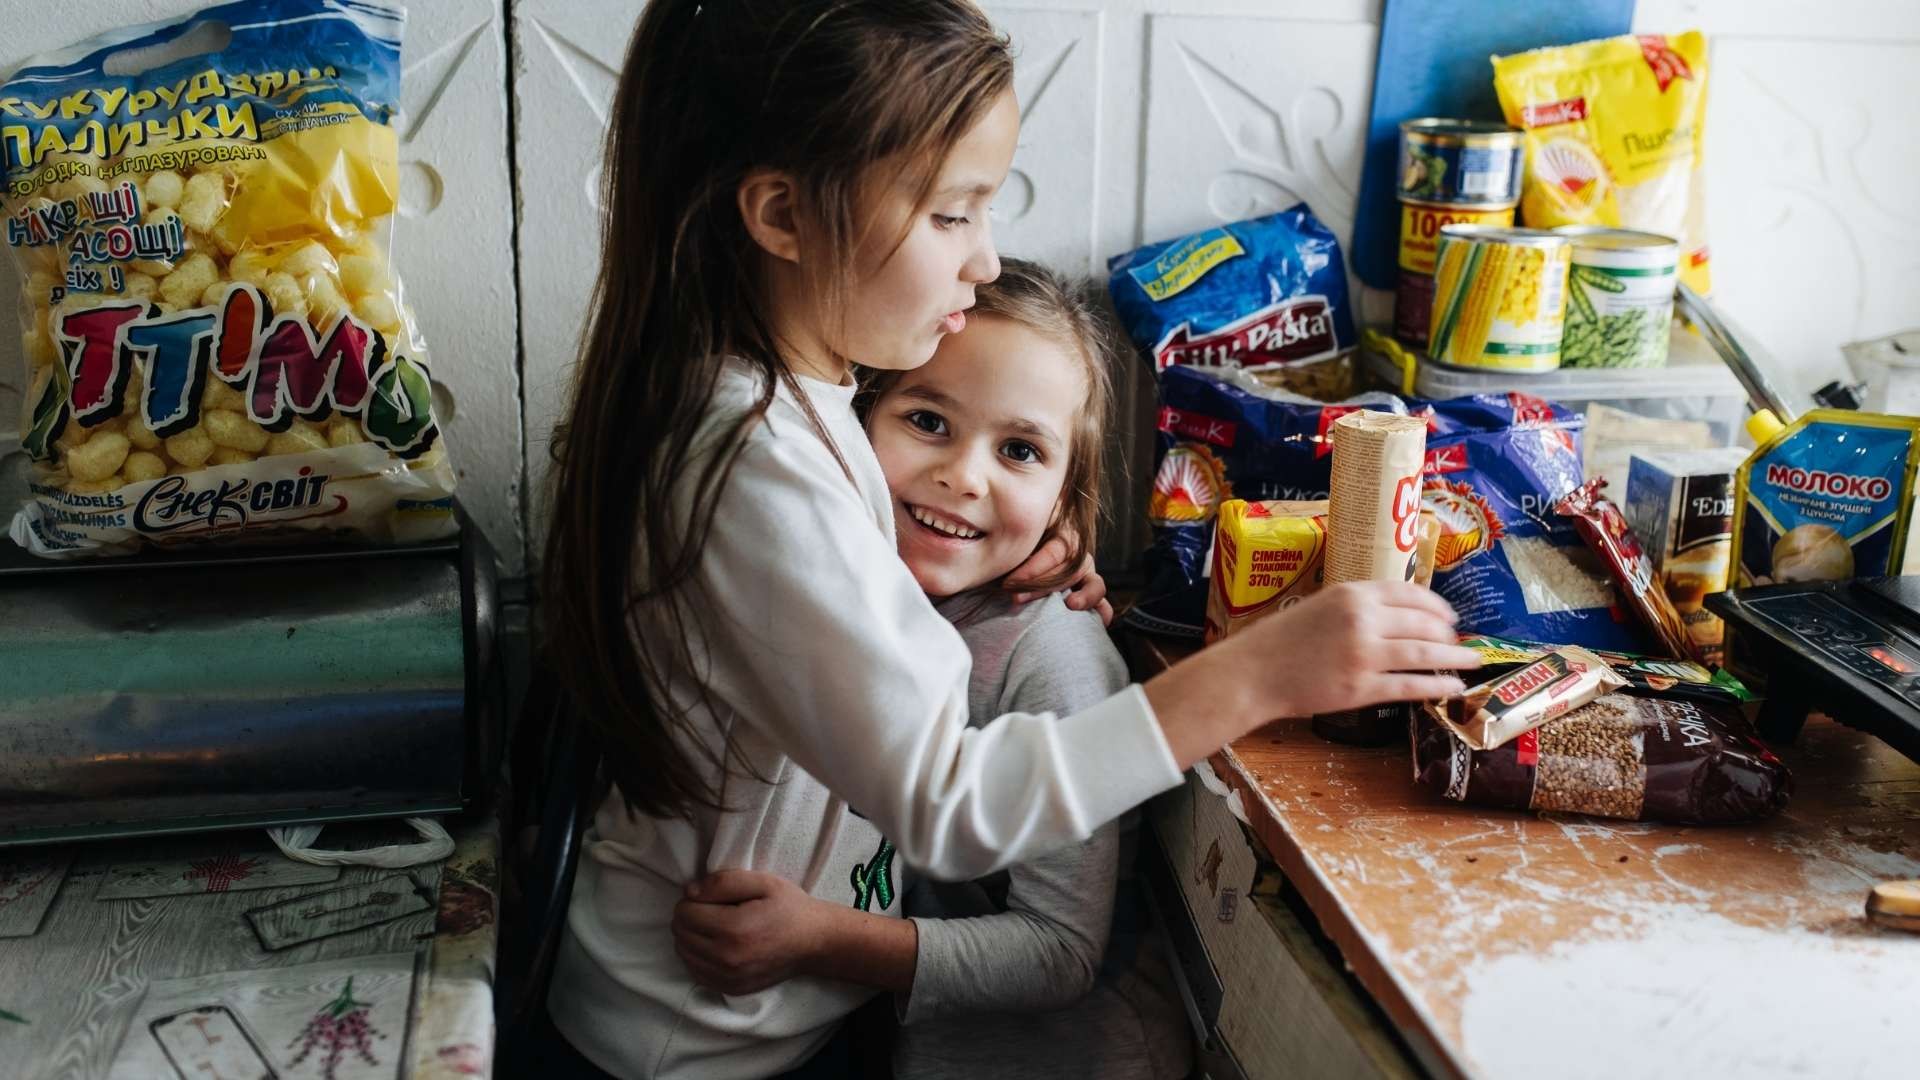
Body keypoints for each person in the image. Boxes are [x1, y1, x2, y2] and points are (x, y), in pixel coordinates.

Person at [537, 1, 1477, 1076]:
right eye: (952, 214)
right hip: (695, 1048)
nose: (984, 261)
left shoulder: (788, 404)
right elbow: (955, 808)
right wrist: (1258, 674)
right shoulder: (753, 466)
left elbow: (844, 607)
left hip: (757, 1021)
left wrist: (1031, 539)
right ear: (784, 216)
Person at [671, 258, 1195, 1080]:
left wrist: (818, 939)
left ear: (1068, 496)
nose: (964, 475)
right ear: (855, 422)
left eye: (1020, 450)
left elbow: (1058, 955)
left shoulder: (1055, 658)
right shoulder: (852, 584)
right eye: (928, 421)